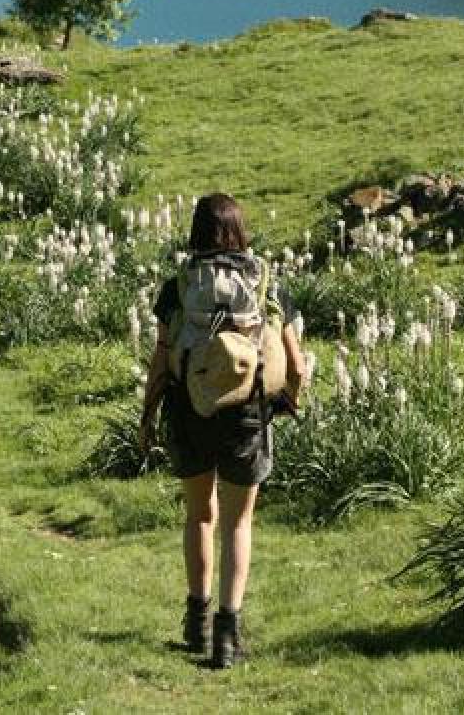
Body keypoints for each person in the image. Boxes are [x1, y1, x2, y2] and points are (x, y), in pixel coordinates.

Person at [138, 193, 307, 669]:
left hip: (190, 409)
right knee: (237, 522)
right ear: (239, 231)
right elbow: (295, 362)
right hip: (246, 413)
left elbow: (160, 359)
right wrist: (290, 398)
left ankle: (196, 621)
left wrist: (147, 417)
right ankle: (227, 635)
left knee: (200, 516)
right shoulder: (266, 282)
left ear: (195, 232)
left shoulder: (178, 285)